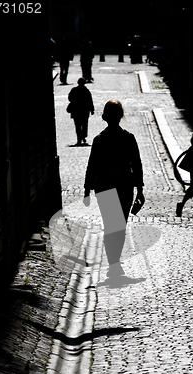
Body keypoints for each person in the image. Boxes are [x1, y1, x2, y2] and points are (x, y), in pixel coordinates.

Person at [83, 100, 144, 281]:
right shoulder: (128, 138)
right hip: (125, 186)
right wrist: (140, 190)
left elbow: (91, 166)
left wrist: (87, 189)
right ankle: (114, 264)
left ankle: (113, 263)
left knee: (111, 226)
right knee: (120, 226)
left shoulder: (99, 140)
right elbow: (137, 165)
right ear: (120, 116)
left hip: (105, 187)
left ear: (105, 116)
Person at [68, 77, 94, 145]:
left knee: (77, 125)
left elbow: (69, 98)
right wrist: (92, 110)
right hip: (84, 111)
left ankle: (79, 138)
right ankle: (83, 136)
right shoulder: (86, 91)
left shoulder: (74, 90)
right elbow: (90, 101)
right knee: (84, 124)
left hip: (76, 110)